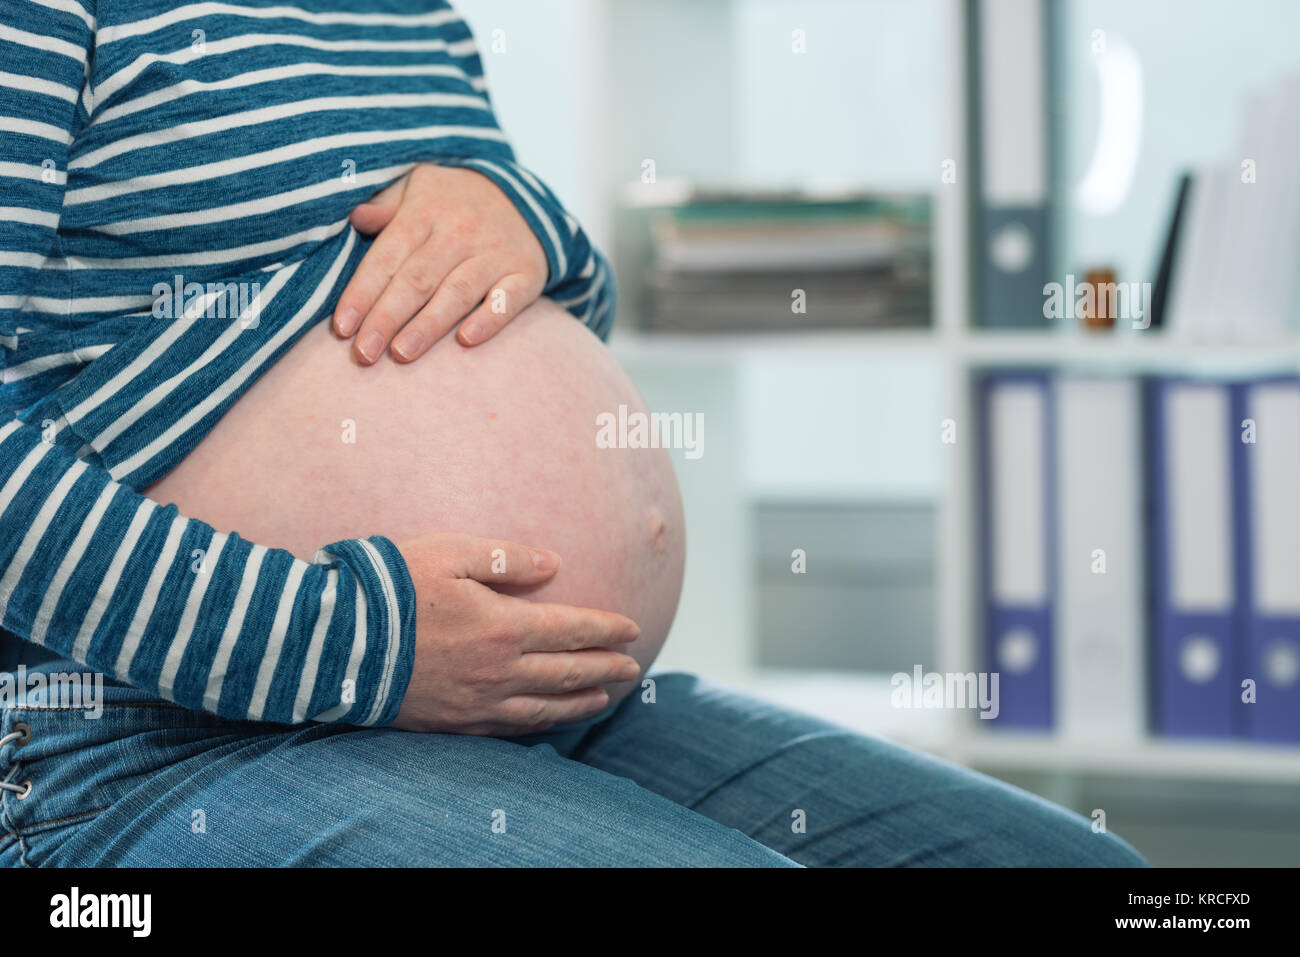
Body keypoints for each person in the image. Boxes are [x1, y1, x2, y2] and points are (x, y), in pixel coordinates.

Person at [0, 0, 1145, 867]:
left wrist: (532, 222)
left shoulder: (410, 16)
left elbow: (509, 322)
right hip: (158, 740)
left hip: (551, 707)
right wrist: (364, 646)